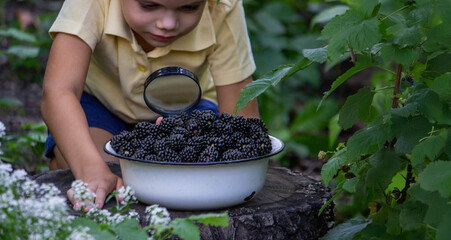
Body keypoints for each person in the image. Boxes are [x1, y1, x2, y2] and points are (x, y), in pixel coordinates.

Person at [41, 0, 259, 209]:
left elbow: (240, 120)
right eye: (149, 5)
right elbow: (60, 91)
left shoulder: (223, 5)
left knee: (190, 177)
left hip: (187, 109)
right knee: (109, 173)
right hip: (101, 106)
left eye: (190, 7)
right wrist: (90, 170)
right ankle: (65, 162)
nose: (168, 23)